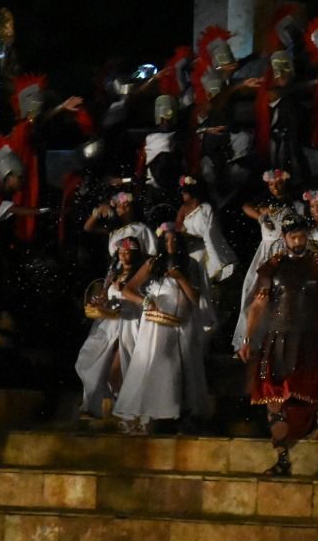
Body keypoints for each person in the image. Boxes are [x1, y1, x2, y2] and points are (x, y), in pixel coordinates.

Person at [240, 213, 318, 474]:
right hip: (277, 339)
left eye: (301, 236)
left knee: (311, 395)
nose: (298, 241)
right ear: (284, 238)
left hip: (310, 341)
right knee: (273, 400)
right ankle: (282, 457)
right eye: (293, 236)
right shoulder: (271, 267)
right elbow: (258, 304)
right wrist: (247, 338)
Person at [114, 225, 200, 434]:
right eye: (166, 240)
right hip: (153, 325)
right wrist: (144, 301)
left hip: (176, 325)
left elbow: (196, 299)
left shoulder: (190, 265)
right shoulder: (153, 263)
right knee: (149, 364)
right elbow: (127, 289)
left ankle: (171, 414)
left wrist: (180, 278)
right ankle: (144, 414)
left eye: (174, 240)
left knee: (170, 367)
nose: (170, 244)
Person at [230, 168, 299, 351]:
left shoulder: (293, 205)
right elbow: (245, 206)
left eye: (278, 183)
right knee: (254, 291)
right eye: (271, 184)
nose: (275, 187)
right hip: (266, 252)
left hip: (284, 251)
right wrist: (260, 217)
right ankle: (250, 340)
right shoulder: (263, 205)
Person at [76, 235, 145, 419]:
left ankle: (125, 409)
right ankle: (93, 405)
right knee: (95, 363)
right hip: (110, 324)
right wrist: (100, 301)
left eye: (128, 251)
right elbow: (106, 296)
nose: (123, 255)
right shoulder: (114, 274)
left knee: (120, 367)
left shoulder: (140, 276)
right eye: (121, 251)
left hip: (129, 323)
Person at [175, 177, 236, 284]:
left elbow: (210, 229)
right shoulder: (183, 209)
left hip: (206, 240)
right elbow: (178, 226)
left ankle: (220, 269)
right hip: (193, 245)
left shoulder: (205, 207)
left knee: (208, 239)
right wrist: (186, 232)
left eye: (185, 192)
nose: (183, 195)